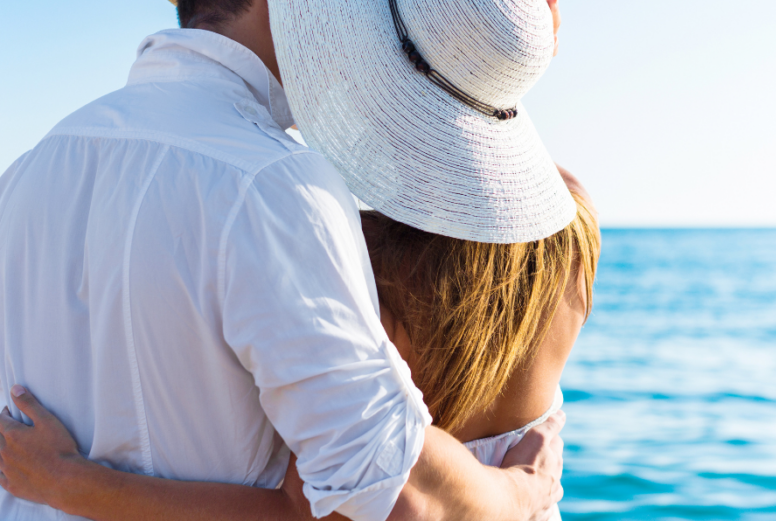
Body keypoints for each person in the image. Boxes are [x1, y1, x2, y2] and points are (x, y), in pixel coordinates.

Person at [0, 0, 572, 520]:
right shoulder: (276, 187)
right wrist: (524, 492)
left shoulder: (26, 173)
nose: (361, 30)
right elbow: (388, 496)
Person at [0, 172, 600, 521]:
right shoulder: (572, 229)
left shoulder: (375, 256)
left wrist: (67, 482)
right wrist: (524, 491)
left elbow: (306, 513)